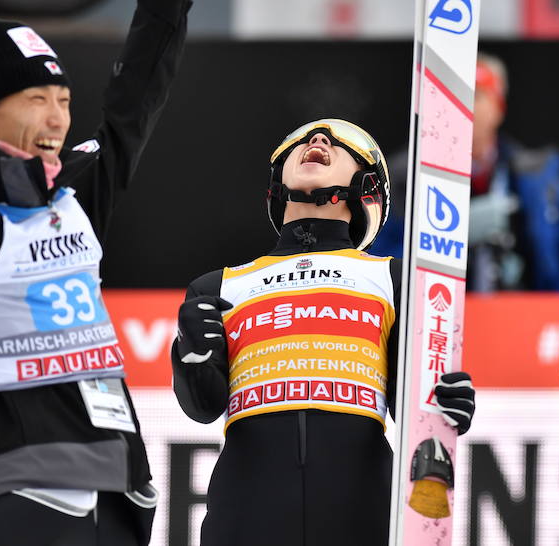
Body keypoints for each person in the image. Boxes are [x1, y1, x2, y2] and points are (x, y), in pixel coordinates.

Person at [0, 0, 192, 543]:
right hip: (21, 491)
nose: (57, 119)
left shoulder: (69, 197)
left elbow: (133, 106)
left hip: (120, 493)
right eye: (36, 100)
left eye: (64, 100)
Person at [171, 119, 476, 545]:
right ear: (277, 184)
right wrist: (189, 356)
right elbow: (202, 406)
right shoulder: (218, 286)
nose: (317, 140)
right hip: (247, 511)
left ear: (367, 186)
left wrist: (446, 406)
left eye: (340, 142)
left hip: (360, 507)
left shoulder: (395, 279)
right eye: (302, 140)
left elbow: (415, 415)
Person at [460, 55, 559, 291]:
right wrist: (447, 240)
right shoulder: (410, 179)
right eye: (453, 95)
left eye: (476, 95)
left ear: (499, 107)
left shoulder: (538, 177)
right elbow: (385, 262)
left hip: (521, 316)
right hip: (442, 317)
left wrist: (547, 312)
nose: (463, 105)